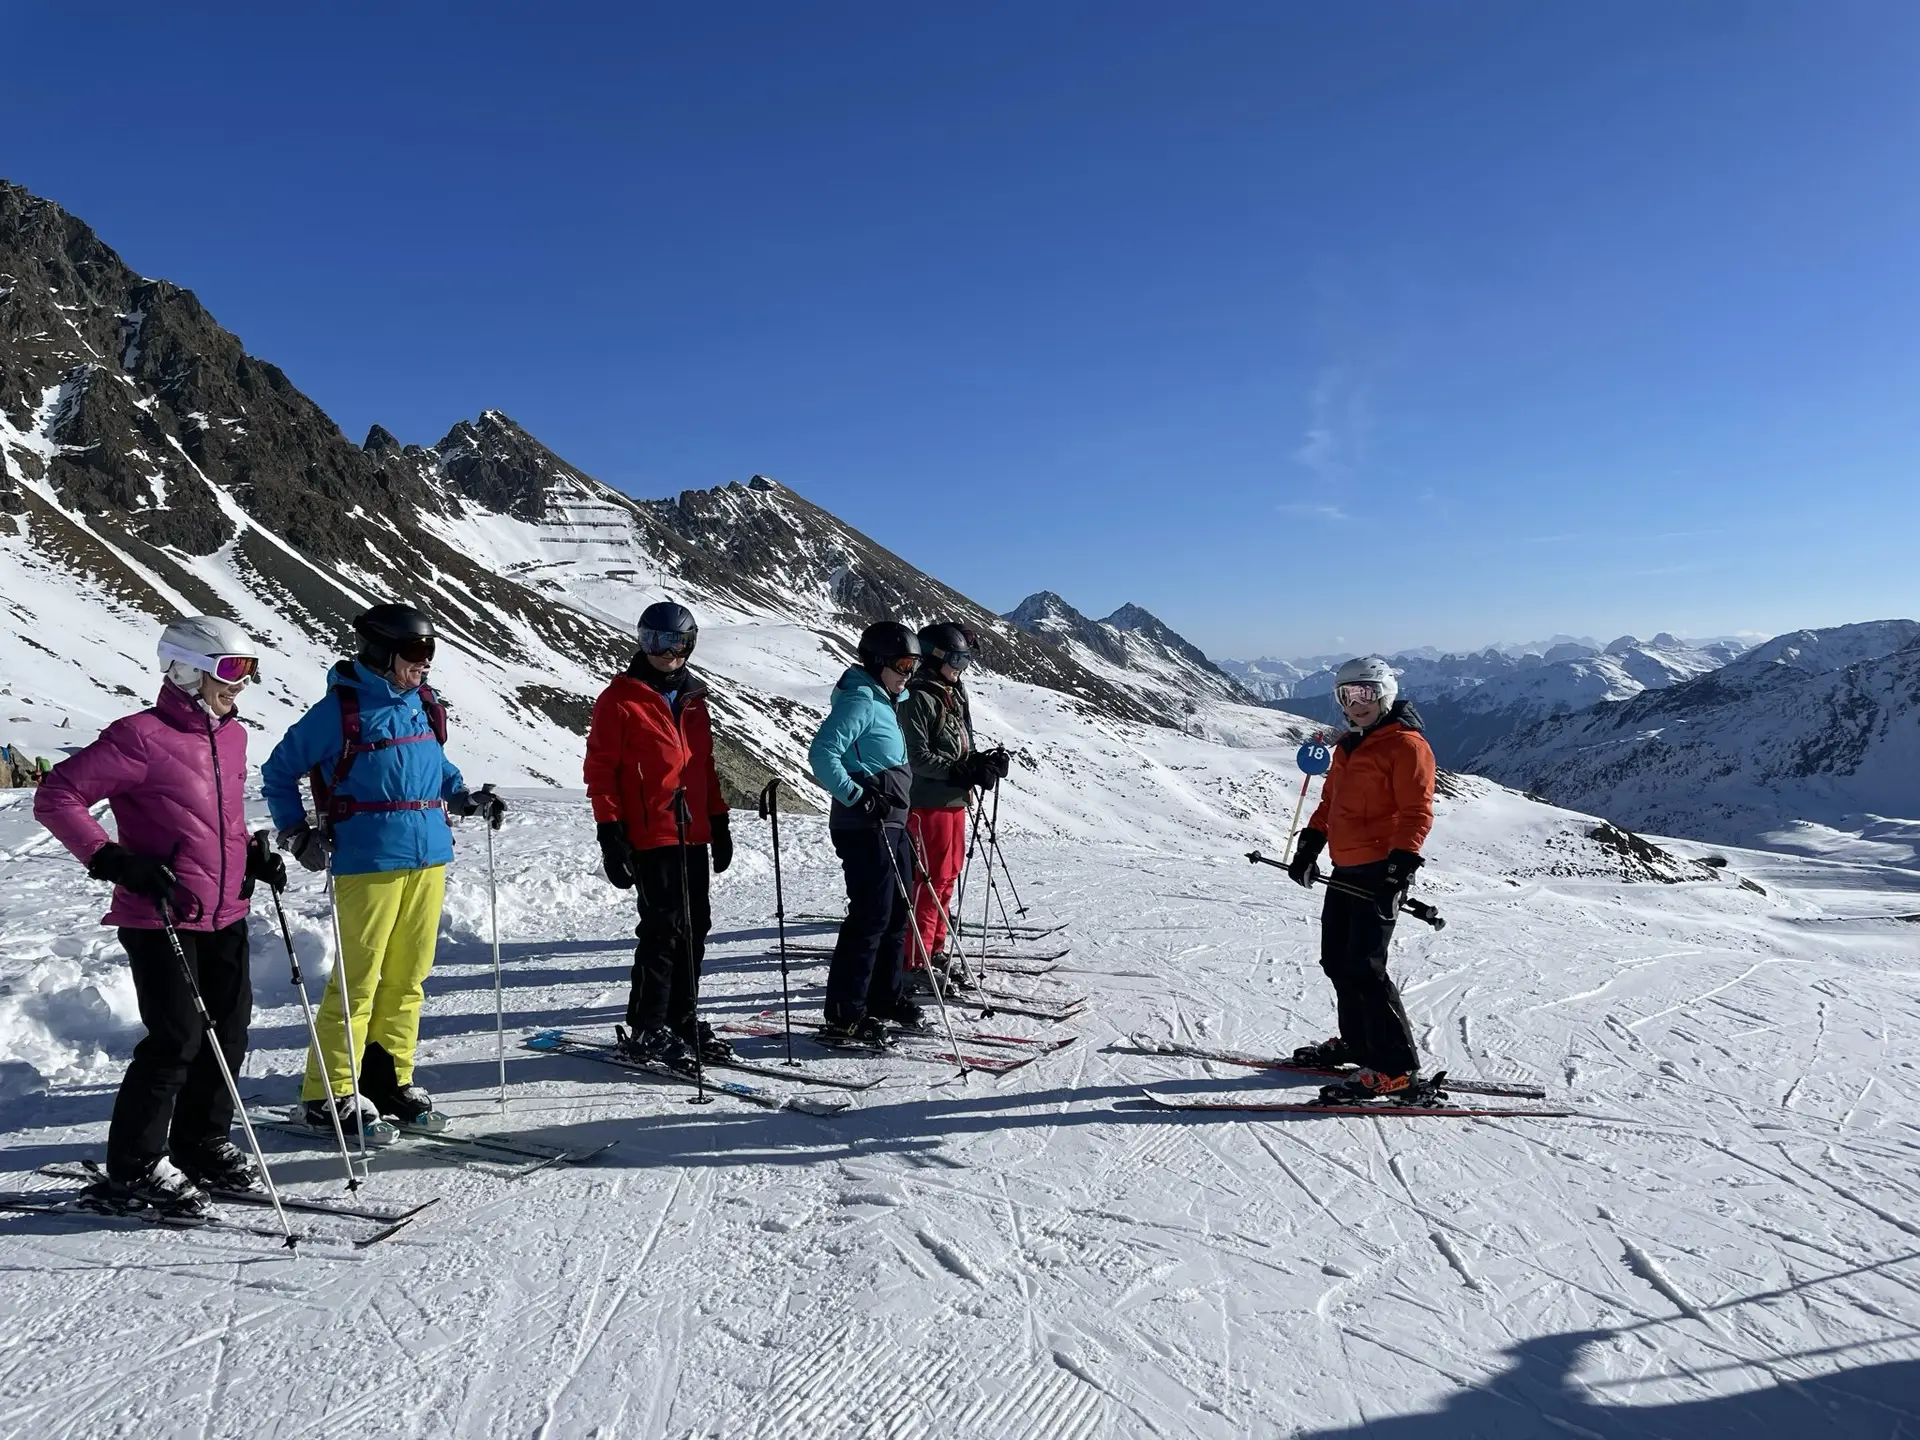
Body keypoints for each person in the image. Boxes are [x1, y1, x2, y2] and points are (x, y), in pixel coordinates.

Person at [33, 617, 285, 1219]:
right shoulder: (138, 737)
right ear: (187, 670)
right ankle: (135, 1167)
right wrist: (114, 859)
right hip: (159, 914)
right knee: (176, 1039)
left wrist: (249, 851)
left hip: (225, 907)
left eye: (249, 669)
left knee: (230, 1031)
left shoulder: (233, 737)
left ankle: (200, 1141)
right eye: (230, 670)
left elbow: (215, 817)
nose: (241, 684)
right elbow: (57, 796)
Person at [262, 603, 505, 1140]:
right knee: (358, 982)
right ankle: (328, 1093)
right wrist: (296, 832)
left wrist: (463, 798)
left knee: (408, 978)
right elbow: (278, 771)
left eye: (430, 651)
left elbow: (435, 766)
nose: (426, 663)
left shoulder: (421, 702)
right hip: (367, 860)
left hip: (429, 855)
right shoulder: (339, 711)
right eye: (417, 652)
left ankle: (388, 1078)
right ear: (380, 650)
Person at [585, 601, 733, 1073]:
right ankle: (648, 1024)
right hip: (649, 833)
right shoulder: (620, 700)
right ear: (642, 642)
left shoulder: (694, 700)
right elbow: (601, 772)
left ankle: (681, 1016)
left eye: (678, 643)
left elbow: (703, 767)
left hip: (692, 832)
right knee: (662, 928)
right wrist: (610, 831)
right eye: (657, 642)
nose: (669, 653)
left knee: (697, 926)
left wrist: (720, 821)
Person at [1286, 655, 1435, 1099]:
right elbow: (1331, 802)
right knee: (1337, 960)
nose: (1357, 703)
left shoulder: (1406, 746)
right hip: (1345, 867)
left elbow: (1415, 812)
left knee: (1367, 969)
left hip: (1378, 869)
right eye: (1348, 695)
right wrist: (1311, 843)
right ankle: (1358, 1043)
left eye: (1366, 693)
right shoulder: (1348, 747)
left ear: (1385, 694)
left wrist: (1399, 869)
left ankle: (1397, 1068)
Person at [808, 621, 925, 1046]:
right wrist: (859, 796)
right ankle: (845, 1014)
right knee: (870, 918)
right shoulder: (860, 699)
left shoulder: (883, 699)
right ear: (877, 662)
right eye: (902, 664)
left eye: (913, 665)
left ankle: (884, 997)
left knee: (897, 915)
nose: (908, 673)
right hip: (865, 825)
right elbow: (822, 754)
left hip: (890, 823)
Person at [899, 622, 1007, 993]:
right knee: (929, 881)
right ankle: (914, 960)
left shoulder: (949, 691)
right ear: (936, 657)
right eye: (958, 658)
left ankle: (934, 948)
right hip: (928, 802)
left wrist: (978, 762)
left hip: (952, 799)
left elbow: (953, 747)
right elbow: (915, 757)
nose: (963, 666)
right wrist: (959, 770)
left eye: (967, 659)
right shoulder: (919, 697)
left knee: (946, 878)